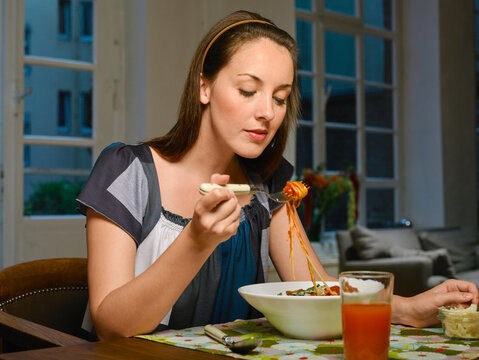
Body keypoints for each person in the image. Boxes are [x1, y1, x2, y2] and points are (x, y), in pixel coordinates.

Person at [76, 10, 478, 341]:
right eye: (249, 90)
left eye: (281, 97)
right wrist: (197, 240)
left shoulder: (268, 185)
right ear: (205, 86)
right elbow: (112, 325)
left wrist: (409, 307)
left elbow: (318, 291)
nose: (267, 112)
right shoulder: (128, 171)